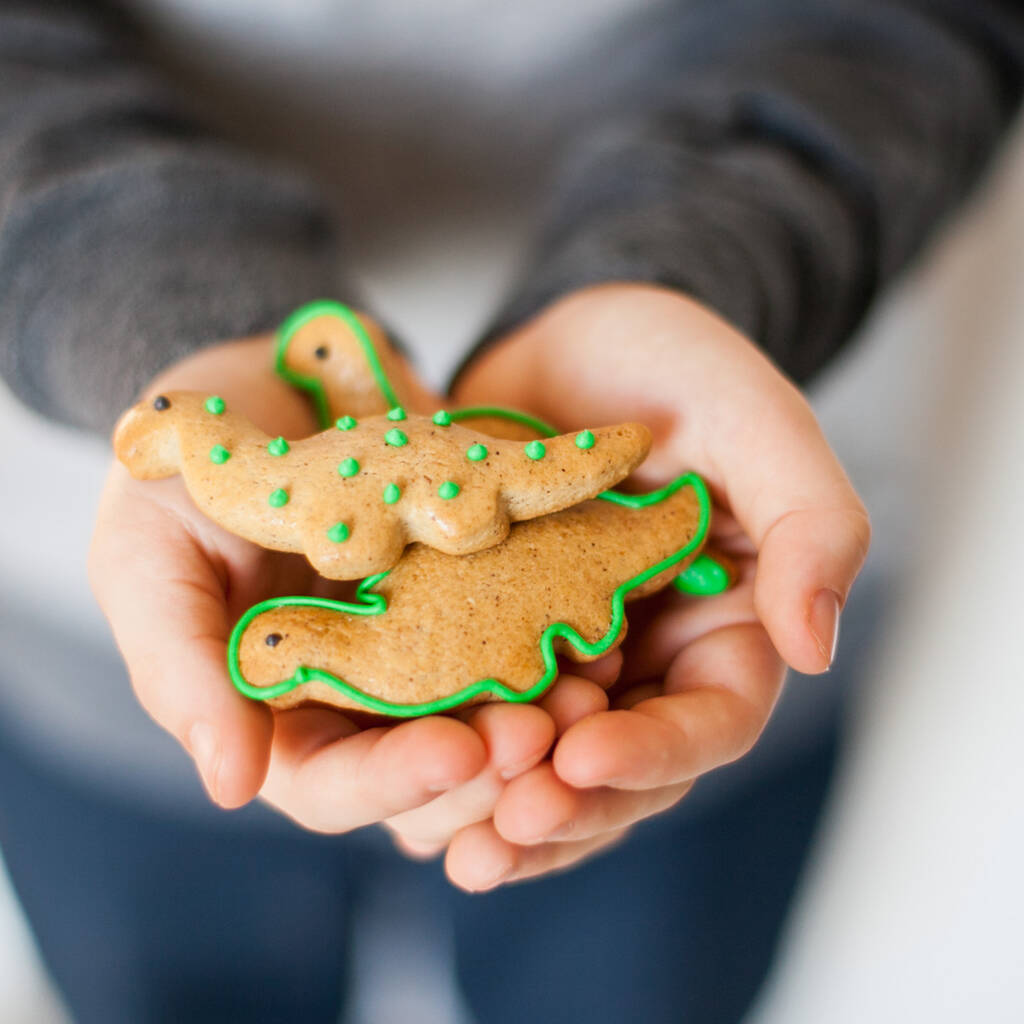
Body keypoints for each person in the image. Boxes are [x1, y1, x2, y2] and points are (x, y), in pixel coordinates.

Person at [0, 1, 1021, 1021]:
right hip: (89, 669)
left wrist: (705, 260)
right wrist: (155, 303)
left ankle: (676, 534)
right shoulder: (300, 503)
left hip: (718, 523)